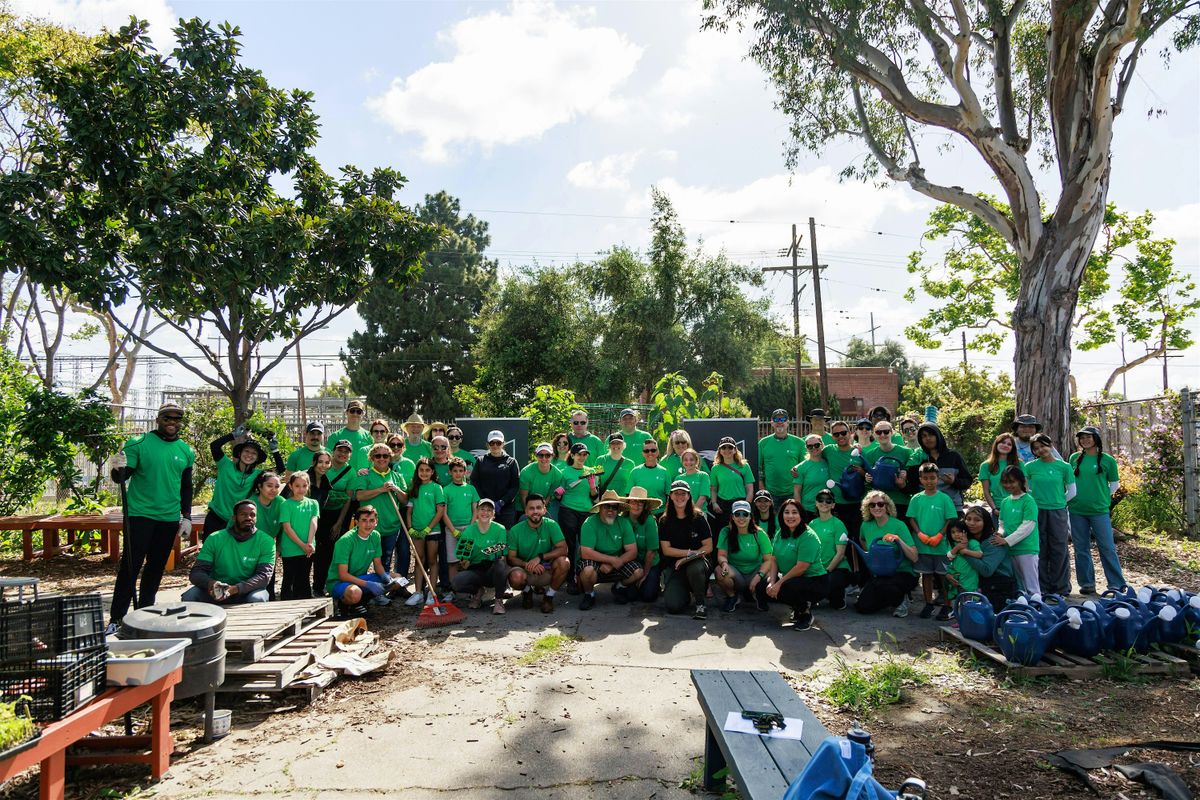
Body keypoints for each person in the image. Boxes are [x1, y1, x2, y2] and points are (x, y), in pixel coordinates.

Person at [108, 402, 196, 631]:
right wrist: (117, 468)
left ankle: (146, 613)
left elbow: (187, 486)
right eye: (168, 418)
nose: (172, 423)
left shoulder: (186, 450)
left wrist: (186, 516)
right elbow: (121, 478)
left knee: (156, 567)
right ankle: (116, 618)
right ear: (158, 419)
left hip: (168, 518)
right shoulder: (139, 443)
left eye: (177, 419)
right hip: (140, 515)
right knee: (131, 566)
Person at [1068, 426, 1125, 595]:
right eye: (1082, 438)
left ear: (1096, 439)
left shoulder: (1107, 460)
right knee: (1081, 548)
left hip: (1099, 510)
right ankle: (1087, 584)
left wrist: (1102, 497)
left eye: (1089, 437)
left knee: (1107, 546)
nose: (1085, 440)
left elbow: (1115, 484)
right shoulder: (1074, 458)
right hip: (1076, 509)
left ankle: (1116, 583)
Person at [183, 499, 274, 605]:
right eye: (243, 514)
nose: (248, 518)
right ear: (234, 518)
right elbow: (197, 573)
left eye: (252, 515)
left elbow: (263, 577)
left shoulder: (266, 541)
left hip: (248, 591)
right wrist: (211, 584)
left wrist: (234, 589)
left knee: (258, 598)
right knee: (190, 596)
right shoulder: (215, 538)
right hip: (216, 591)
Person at [204, 429, 283, 537]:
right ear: (240, 453)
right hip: (216, 517)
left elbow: (280, 469)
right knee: (210, 551)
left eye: (254, 453)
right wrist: (232, 435)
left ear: (257, 458)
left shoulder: (257, 475)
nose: (249, 455)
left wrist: (274, 449)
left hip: (239, 522)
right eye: (246, 451)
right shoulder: (225, 465)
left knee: (234, 553)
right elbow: (214, 446)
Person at [354, 443, 409, 595]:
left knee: (385, 559)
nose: (382, 459)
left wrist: (396, 489)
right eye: (378, 456)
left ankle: (384, 591)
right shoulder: (365, 475)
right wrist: (380, 490)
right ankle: (362, 591)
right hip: (369, 529)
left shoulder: (397, 477)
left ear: (390, 457)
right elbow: (359, 495)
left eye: (385, 456)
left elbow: (405, 500)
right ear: (372, 458)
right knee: (365, 561)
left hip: (392, 526)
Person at [1024, 432, 1075, 595]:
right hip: (1037, 512)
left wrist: (1059, 502)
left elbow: (1072, 491)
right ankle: (1043, 587)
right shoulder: (1029, 467)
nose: (1040, 450)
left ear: (1050, 445)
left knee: (1059, 548)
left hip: (1058, 512)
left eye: (1043, 446)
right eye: (1036, 448)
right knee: (1040, 547)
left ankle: (1061, 587)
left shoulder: (1064, 466)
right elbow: (1026, 489)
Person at [326, 505, 402, 615]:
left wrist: (386, 578)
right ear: (356, 522)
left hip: (360, 578)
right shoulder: (345, 541)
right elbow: (343, 575)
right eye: (364, 521)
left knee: (397, 579)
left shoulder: (375, 536)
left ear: (376, 522)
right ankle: (343, 604)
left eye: (371, 521)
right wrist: (368, 584)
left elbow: (378, 565)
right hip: (339, 582)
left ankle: (360, 603)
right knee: (354, 592)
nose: (368, 524)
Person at [853, 491, 919, 617]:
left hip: (902, 573)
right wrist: (871, 554)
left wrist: (898, 540)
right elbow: (862, 539)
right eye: (872, 505)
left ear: (887, 506)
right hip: (880, 574)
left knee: (885, 585)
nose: (877, 507)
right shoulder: (866, 525)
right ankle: (889, 599)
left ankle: (901, 599)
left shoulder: (899, 525)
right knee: (862, 607)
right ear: (868, 508)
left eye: (880, 504)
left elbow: (914, 557)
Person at [907, 462, 958, 621]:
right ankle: (928, 603)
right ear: (921, 479)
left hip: (941, 546)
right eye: (926, 478)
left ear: (938, 479)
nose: (929, 481)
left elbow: (950, 519)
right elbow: (911, 518)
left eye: (933, 478)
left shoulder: (944, 498)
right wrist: (919, 534)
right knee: (926, 575)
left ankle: (948, 605)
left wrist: (940, 535)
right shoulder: (916, 498)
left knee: (944, 576)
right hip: (923, 545)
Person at [766, 498, 828, 630]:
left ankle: (805, 613)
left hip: (815, 580)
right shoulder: (780, 533)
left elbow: (801, 567)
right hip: (793, 579)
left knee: (785, 587)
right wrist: (772, 582)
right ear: (781, 515)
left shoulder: (808, 536)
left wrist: (778, 584)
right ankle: (797, 606)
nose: (790, 516)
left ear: (801, 515)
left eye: (794, 512)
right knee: (763, 586)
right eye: (786, 512)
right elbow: (774, 559)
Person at [577, 490, 642, 610]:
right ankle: (589, 594)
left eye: (614, 507)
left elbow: (632, 551)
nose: (611, 510)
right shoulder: (589, 523)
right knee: (587, 570)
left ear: (618, 510)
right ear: (600, 507)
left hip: (616, 562)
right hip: (595, 560)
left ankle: (619, 587)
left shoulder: (624, 523)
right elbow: (586, 552)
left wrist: (613, 563)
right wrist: (611, 560)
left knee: (638, 572)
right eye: (607, 506)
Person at [506, 494, 571, 613]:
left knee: (564, 562)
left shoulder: (552, 525)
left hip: (546, 569)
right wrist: (528, 565)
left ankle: (549, 597)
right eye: (531, 508)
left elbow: (563, 549)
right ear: (525, 511)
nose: (535, 511)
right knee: (515, 577)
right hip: (525, 570)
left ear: (544, 510)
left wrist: (540, 557)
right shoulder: (516, 530)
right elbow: (511, 558)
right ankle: (527, 592)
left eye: (538, 508)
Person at [657, 480, 713, 619]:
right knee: (673, 606)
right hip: (675, 567)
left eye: (683, 493)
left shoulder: (698, 517)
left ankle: (700, 604)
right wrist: (688, 553)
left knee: (694, 568)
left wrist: (686, 558)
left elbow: (708, 547)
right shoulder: (664, 520)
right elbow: (666, 550)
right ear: (670, 496)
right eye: (676, 493)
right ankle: (685, 592)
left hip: (697, 563)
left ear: (689, 496)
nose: (680, 497)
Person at [314, 440, 359, 597]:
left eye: (346, 452)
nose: (342, 454)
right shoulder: (324, 466)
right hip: (320, 512)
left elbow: (348, 499)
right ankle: (317, 585)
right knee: (320, 551)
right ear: (333, 451)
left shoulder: (350, 472)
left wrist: (340, 523)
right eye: (340, 450)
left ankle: (331, 583)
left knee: (334, 550)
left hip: (338, 514)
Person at [451, 498, 511, 614]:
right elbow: (464, 556)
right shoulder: (469, 531)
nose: (485, 513)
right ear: (477, 512)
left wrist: (481, 553)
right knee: (457, 582)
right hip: (476, 570)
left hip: (492, 569)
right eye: (482, 509)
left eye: (489, 510)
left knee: (500, 564)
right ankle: (478, 592)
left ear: (493, 514)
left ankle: (498, 600)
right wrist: (465, 561)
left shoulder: (500, 529)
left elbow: (501, 552)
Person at [715, 500, 772, 613]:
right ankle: (732, 596)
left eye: (745, 514)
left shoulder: (759, 534)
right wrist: (724, 563)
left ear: (750, 516)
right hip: (737, 574)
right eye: (737, 514)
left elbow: (768, 560)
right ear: (732, 517)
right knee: (719, 570)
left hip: (755, 572)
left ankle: (759, 596)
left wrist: (758, 576)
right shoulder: (725, 532)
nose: (741, 518)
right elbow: (721, 555)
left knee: (770, 571)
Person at [960, 505, 1018, 608]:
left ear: (985, 522)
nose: (971, 523)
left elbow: (987, 570)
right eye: (968, 519)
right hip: (979, 584)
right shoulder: (969, 540)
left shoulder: (994, 541)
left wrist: (964, 553)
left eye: (977, 520)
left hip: (999, 587)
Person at [408, 457, 448, 604]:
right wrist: (410, 528)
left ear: (432, 472)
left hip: (432, 530)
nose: (424, 473)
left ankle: (432, 592)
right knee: (419, 560)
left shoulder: (437, 488)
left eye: (427, 470)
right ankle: (418, 592)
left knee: (432, 560)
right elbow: (409, 511)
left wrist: (428, 528)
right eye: (421, 470)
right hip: (416, 531)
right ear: (417, 471)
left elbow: (440, 511)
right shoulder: (414, 487)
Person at [907, 422, 972, 511]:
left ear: (938, 436)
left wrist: (954, 481)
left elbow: (967, 481)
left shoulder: (953, 456)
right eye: (924, 436)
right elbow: (912, 486)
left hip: (952, 507)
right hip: (927, 508)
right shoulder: (918, 458)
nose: (928, 438)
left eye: (931, 435)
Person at [996, 465, 1040, 593]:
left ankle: (1036, 609)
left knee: (1031, 585)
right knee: (1018, 585)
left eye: (1011, 482)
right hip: (1010, 549)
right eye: (1005, 482)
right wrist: (999, 535)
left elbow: (1028, 526)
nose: (1008, 485)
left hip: (1027, 548)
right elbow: (1002, 524)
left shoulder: (1028, 501)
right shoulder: (1005, 502)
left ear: (1020, 481)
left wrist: (1007, 540)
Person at [278, 470, 319, 600]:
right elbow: (287, 527)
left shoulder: (313, 503)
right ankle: (286, 608)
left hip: (308, 548)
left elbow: (314, 522)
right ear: (290, 486)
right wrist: (301, 544)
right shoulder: (286, 504)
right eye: (297, 486)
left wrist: (309, 543)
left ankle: (305, 608)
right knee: (290, 578)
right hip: (291, 549)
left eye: (304, 486)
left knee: (304, 578)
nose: (301, 489)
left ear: (308, 486)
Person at [807, 489, 851, 610]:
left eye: (828, 500)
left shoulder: (838, 524)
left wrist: (826, 572)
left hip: (836, 568)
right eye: (820, 500)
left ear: (833, 505)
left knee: (836, 604)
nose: (824, 503)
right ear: (816, 503)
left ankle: (837, 592)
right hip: (818, 569)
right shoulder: (812, 524)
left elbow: (840, 554)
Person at [862, 419, 913, 521]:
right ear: (874, 435)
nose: (882, 435)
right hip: (880, 504)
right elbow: (867, 481)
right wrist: (867, 478)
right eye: (878, 432)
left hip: (900, 501)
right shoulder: (870, 454)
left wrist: (906, 474)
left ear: (892, 433)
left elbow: (913, 478)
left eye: (886, 432)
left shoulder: (906, 452)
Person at [557, 443, 596, 570]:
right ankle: (570, 577)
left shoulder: (591, 471)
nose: (582, 457)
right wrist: (559, 492)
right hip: (568, 510)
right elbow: (558, 495)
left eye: (584, 454)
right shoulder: (564, 472)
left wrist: (592, 487)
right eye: (579, 454)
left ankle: (583, 574)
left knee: (585, 545)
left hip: (586, 511)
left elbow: (594, 496)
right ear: (572, 455)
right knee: (570, 544)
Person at [443, 457, 480, 592]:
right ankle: (454, 590)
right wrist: (453, 530)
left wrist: (470, 528)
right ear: (450, 472)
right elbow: (444, 513)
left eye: (460, 470)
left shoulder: (471, 489)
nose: (458, 473)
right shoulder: (446, 490)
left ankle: (471, 591)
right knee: (453, 562)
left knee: (468, 561)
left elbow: (475, 510)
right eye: (455, 471)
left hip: (468, 529)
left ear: (465, 472)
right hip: (451, 530)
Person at [471, 429, 520, 528]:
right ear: (487, 445)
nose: (495, 446)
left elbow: (515, 486)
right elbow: (475, 483)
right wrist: (485, 502)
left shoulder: (511, 462)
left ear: (503, 444)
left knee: (505, 538)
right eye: (492, 443)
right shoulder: (481, 461)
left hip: (506, 508)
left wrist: (502, 502)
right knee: (485, 536)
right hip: (485, 508)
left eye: (498, 443)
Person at [759, 409, 805, 508]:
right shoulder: (763, 443)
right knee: (772, 522)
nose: (780, 422)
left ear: (787, 423)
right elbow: (758, 468)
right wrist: (763, 491)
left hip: (792, 493)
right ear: (772, 423)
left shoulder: (799, 443)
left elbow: (804, 468)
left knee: (791, 522)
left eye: (783, 419)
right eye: (776, 419)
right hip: (770, 494)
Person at [623, 486, 662, 603]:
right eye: (633, 501)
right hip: (630, 562)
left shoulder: (650, 521)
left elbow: (651, 551)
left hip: (649, 562)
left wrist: (644, 575)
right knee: (629, 596)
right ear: (628, 503)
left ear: (645, 506)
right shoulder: (622, 519)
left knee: (648, 596)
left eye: (641, 502)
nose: (637, 505)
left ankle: (654, 581)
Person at [709, 436, 754, 536]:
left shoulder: (744, 466)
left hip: (741, 503)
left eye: (730, 447)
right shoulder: (716, 468)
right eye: (723, 448)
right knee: (725, 533)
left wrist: (746, 505)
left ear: (735, 450)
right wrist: (714, 503)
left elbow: (750, 489)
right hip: (723, 506)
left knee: (742, 533)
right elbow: (713, 489)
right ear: (720, 451)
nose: (727, 450)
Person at [251, 470, 284, 599]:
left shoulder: (281, 502)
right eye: (269, 486)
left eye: (276, 487)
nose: (273, 490)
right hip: (250, 548)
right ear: (260, 486)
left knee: (268, 585)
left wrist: (278, 550)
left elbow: (284, 529)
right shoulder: (251, 503)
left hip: (269, 549)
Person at [979, 433, 1020, 516]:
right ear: (996, 444)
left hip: (1017, 507)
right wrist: (994, 509)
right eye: (1003, 442)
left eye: (1009, 444)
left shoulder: (1019, 463)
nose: (1005, 445)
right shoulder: (985, 466)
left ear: (1012, 448)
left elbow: (1024, 487)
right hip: (998, 508)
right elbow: (986, 491)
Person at [792, 434, 831, 524]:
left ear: (822, 445)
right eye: (809, 446)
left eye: (816, 445)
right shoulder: (801, 468)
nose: (813, 448)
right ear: (806, 448)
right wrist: (799, 511)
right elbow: (797, 492)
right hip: (808, 510)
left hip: (827, 508)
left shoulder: (829, 462)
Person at [943, 518, 982, 607]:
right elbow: (949, 557)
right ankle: (960, 619)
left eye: (959, 531)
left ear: (965, 531)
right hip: (957, 579)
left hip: (970, 579)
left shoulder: (972, 542)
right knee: (958, 603)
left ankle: (966, 620)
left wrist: (965, 551)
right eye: (953, 532)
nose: (956, 534)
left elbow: (979, 554)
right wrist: (958, 547)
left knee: (969, 604)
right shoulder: (952, 544)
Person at [519, 443, 564, 518]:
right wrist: (529, 512)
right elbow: (524, 497)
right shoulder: (526, 472)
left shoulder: (557, 474)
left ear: (552, 456)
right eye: (541, 455)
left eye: (547, 455)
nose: (544, 458)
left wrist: (540, 510)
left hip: (544, 505)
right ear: (536, 455)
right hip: (525, 506)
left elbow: (550, 496)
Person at [628, 438, 671, 507]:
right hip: (640, 512)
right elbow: (628, 495)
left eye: (653, 450)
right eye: (646, 451)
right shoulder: (635, 471)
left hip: (660, 513)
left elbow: (669, 496)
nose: (650, 453)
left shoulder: (665, 472)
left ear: (657, 452)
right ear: (643, 453)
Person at [677, 449, 711, 514]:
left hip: (699, 513)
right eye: (685, 460)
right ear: (682, 462)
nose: (688, 462)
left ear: (696, 461)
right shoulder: (678, 478)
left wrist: (692, 512)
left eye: (691, 460)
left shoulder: (703, 476)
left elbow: (703, 498)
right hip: (682, 514)